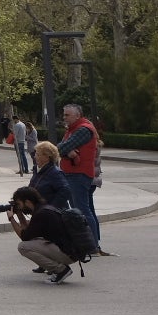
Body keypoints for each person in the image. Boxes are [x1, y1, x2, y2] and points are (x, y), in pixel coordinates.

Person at [6, 185, 75, 283]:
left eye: (19, 204)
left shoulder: (41, 214)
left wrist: (11, 218)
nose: (19, 207)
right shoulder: (43, 209)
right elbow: (28, 234)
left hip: (67, 254)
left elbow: (24, 237)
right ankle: (59, 267)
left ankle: (61, 270)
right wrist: (19, 214)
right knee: (33, 241)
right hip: (69, 251)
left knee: (23, 247)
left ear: (27, 202)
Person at [57, 104, 102, 251]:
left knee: (81, 211)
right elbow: (63, 146)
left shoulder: (82, 130)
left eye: (67, 115)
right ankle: (92, 244)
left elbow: (60, 148)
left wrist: (65, 150)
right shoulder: (74, 129)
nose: (64, 118)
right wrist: (66, 150)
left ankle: (91, 246)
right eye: (64, 114)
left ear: (77, 116)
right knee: (85, 209)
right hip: (76, 174)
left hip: (78, 175)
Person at [29, 141, 73, 210]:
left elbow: (65, 191)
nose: (35, 156)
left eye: (37, 154)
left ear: (47, 157)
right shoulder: (37, 170)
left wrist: (51, 208)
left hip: (52, 214)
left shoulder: (55, 173)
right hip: (40, 211)